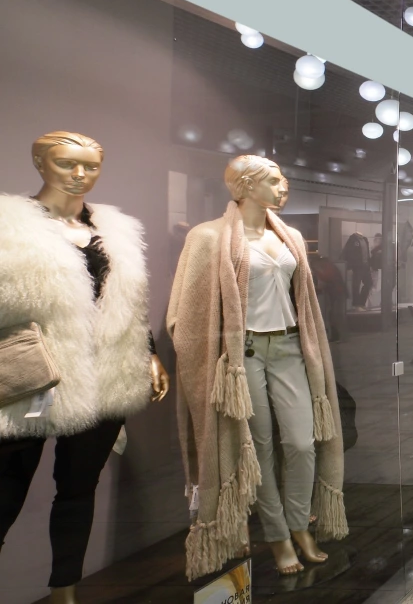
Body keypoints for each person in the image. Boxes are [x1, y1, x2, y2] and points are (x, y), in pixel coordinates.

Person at [0, 132, 167, 604]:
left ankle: (65, 593)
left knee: (77, 490)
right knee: (5, 492)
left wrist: (149, 352)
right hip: (34, 373)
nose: (79, 175)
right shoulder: (8, 226)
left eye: (90, 166)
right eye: (65, 163)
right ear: (39, 162)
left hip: (105, 373)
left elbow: (128, 305)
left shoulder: (116, 232)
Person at [168, 156, 347, 578]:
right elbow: (186, 310)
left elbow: (302, 298)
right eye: (274, 180)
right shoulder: (208, 237)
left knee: (302, 442)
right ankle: (278, 535)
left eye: (284, 180)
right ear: (245, 186)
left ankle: (300, 524)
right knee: (258, 448)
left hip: (289, 347)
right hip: (242, 356)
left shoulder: (290, 236)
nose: (283, 187)